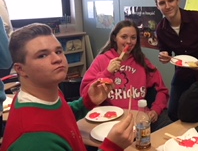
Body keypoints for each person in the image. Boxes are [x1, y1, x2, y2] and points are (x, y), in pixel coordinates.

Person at [1, 23, 135, 151]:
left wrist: (87, 102)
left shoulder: (47, 94)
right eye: (42, 55)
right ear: (20, 69)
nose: (57, 59)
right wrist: (112, 147)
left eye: (58, 51)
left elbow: (58, 117)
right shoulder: (35, 140)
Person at [80, 20, 171, 131]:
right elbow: (85, 93)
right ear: (115, 38)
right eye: (124, 37)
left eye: (133, 38)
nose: (129, 41)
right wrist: (107, 73)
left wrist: (156, 110)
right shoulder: (102, 60)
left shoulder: (142, 62)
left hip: (140, 119)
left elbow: (162, 90)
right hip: (112, 121)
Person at [154, 0, 198, 121]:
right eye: (162, 3)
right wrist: (164, 56)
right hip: (183, 73)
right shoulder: (161, 29)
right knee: (174, 113)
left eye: (171, 1)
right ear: (157, 6)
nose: (167, 6)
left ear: (178, 1)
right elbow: (164, 50)